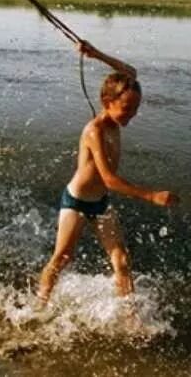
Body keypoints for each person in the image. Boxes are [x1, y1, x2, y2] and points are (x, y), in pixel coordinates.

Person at [37, 52, 179, 303]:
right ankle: (39, 304)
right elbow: (109, 179)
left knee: (122, 261)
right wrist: (151, 195)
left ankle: (130, 317)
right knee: (62, 257)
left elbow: (130, 71)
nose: (132, 114)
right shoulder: (95, 131)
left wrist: (94, 53)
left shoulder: (119, 112)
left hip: (100, 203)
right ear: (107, 101)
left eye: (136, 108)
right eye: (126, 108)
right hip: (76, 202)